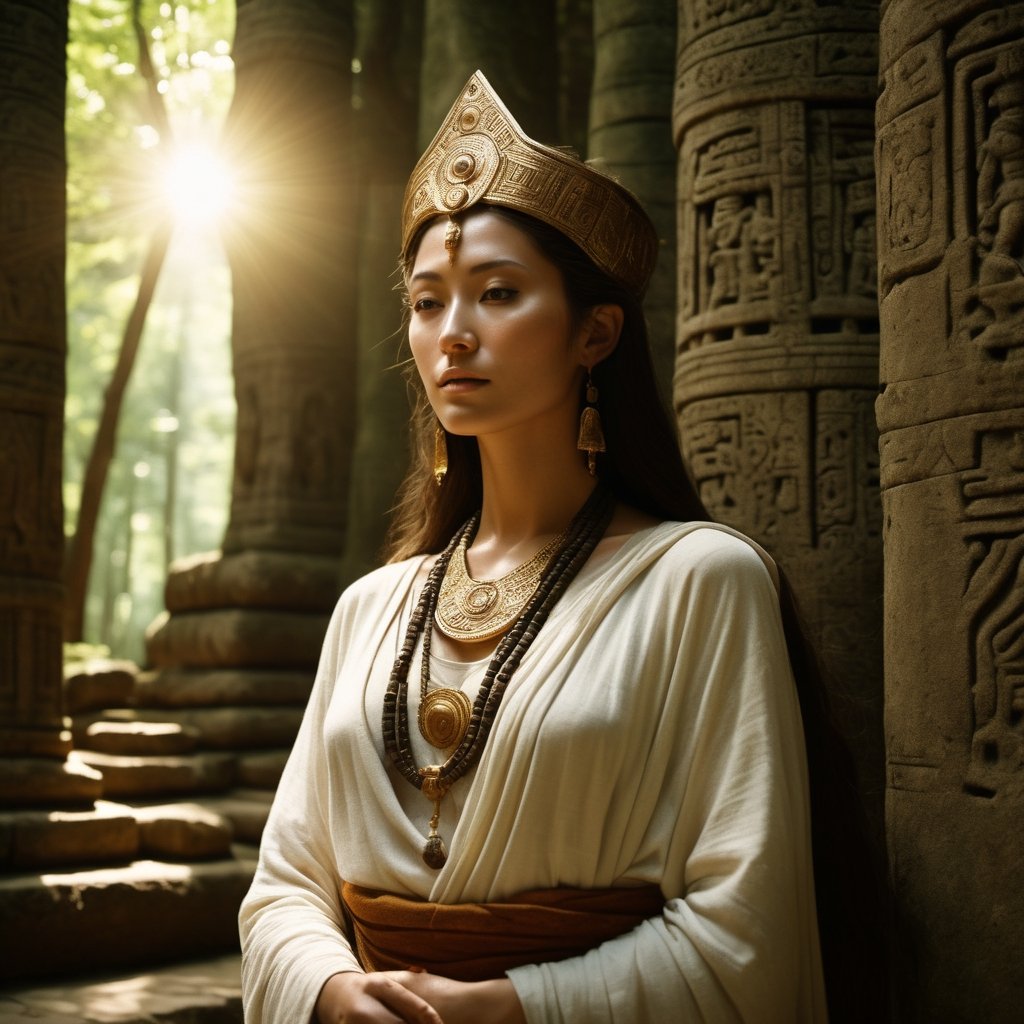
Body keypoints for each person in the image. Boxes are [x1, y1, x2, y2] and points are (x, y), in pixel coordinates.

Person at [239, 70, 828, 1024]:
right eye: (427, 304)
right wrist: (331, 986)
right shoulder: (370, 607)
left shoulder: (701, 580)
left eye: (498, 293)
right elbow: (284, 887)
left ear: (595, 332)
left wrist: (517, 1006)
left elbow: (745, 925)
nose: (452, 335)